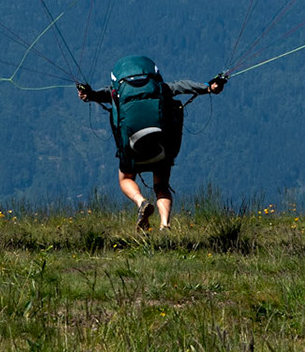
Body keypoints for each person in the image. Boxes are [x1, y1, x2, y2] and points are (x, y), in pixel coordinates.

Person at [78, 55, 226, 231]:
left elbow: (97, 95)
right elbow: (184, 85)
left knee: (125, 179)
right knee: (162, 186)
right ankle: (165, 224)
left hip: (132, 150)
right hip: (160, 147)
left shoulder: (115, 92)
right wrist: (208, 87)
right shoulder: (162, 88)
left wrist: (87, 94)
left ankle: (141, 202)